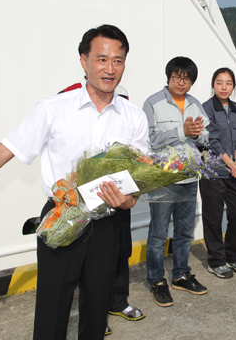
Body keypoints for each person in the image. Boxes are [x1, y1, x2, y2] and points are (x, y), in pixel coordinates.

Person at [0, 25, 147, 340]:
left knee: (97, 309)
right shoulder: (54, 109)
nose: (110, 68)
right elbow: (5, 150)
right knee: (52, 309)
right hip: (60, 217)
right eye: (101, 59)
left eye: (118, 60)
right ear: (83, 60)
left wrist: (128, 201)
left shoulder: (134, 117)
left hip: (107, 222)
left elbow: (138, 179)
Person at [58, 82, 145, 322]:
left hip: (116, 201)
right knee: (87, 262)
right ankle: (93, 315)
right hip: (82, 203)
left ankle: (118, 301)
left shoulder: (129, 119)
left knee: (120, 252)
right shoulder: (70, 109)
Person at [142, 57, 209, 307]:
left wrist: (200, 134)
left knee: (184, 231)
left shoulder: (195, 104)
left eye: (187, 78)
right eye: (177, 77)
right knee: (158, 234)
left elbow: (206, 136)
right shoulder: (153, 103)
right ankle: (156, 280)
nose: (182, 82)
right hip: (163, 178)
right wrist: (182, 131)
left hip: (189, 177)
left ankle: (181, 274)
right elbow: (148, 139)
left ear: (192, 82)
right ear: (168, 76)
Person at [200, 68, 236, 278]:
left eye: (228, 83)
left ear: (233, 86)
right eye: (219, 83)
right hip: (213, 172)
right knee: (212, 218)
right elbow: (211, 141)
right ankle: (216, 261)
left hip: (234, 171)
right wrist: (231, 164)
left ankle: (234, 256)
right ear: (213, 85)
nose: (223, 87)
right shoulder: (206, 108)